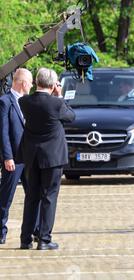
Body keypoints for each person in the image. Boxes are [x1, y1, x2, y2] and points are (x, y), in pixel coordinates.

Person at [17, 68, 75, 250]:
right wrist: (59, 96)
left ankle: (25, 239)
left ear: (37, 82)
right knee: (49, 197)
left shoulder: (24, 101)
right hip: (52, 157)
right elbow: (71, 117)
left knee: (31, 197)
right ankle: (44, 239)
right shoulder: (56, 104)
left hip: (31, 156)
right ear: (53, 85)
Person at [0, 68, 37, 244]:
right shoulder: (5, 101)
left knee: (33, 195)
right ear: (23, 83)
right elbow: (3, 132)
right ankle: (1, 231)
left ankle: (34, 230)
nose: (32, 85)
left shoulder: (28, 102)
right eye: (30, 82)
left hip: (29, 158)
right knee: (6, 197)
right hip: (13, 158)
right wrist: (7, 157)